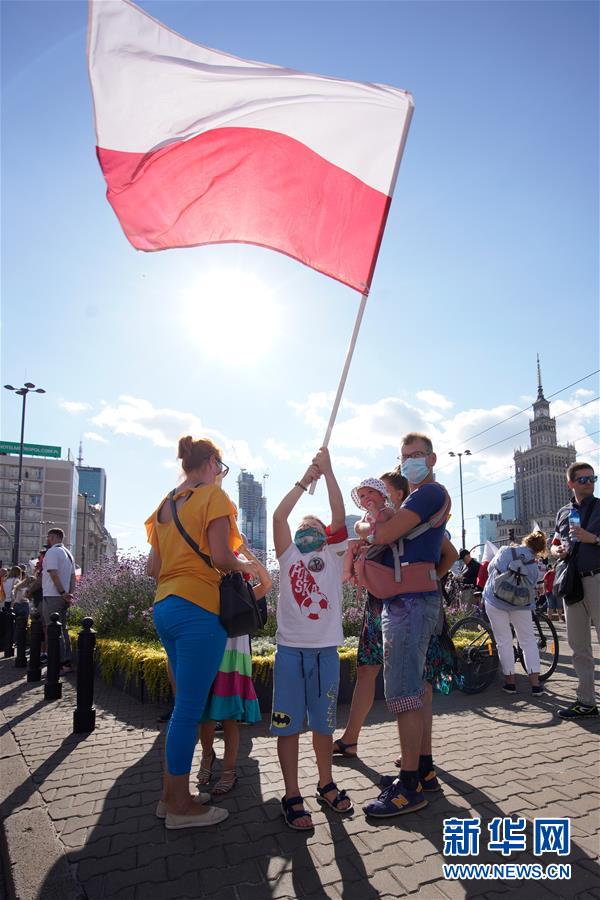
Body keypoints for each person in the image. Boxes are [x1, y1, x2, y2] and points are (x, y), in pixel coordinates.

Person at [145, 435, 260, 829]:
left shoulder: (165, 504)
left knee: (184, 708)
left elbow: (152, 568)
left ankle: (168, 796)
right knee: (188, 711)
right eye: (221, 468)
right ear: (212, 462)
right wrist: (247, 569)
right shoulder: (213, 496)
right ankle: (180, 807)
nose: (220, 475)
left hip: (165, 605)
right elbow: (222, 557)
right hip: (198, 608)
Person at [333, 469, 458, 766]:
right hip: (379, 603)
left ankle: (418, 758)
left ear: (397, 496)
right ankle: (350, 739)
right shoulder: (377, 524)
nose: (370, 500)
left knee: (417, 681)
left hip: (410, 603)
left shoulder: (413, 523)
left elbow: (449, 553)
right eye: (365, 496)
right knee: (367, 670)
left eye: (380, 493)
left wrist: (424, 581)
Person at [359, 433, 451, 818]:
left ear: (431, 459)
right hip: (417, 599)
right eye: (404, 457)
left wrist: (365, 530)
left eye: (417, 455)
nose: (410, 461)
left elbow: (381, 534)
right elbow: (446, 553)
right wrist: (430, 577)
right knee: (418, 690)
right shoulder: (418, 499)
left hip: (407, 605)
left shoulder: (427, 494)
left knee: (403, 691)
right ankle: (424, 769)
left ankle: (409, 785)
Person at [272, 447, 352, 831]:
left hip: (325, 654)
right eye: (303, 528)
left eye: (315, 529)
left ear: (325, 538)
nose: (308, 531)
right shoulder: (287, 556)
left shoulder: (334, 555)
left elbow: (338, 516)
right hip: (289, 652)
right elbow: (279, 515)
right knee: (287, 726)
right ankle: (291, 793)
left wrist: (330, 472)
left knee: (324, 725)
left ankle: (326, 782)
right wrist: (306, 481)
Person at [198, 536, 272, 797]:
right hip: (209, 655)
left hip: (233, 660)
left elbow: (267, 582)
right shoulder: (205, 588)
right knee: (205, 717)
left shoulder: (242, 593)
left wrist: (246, 553)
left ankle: (229, 770)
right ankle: (207, 757)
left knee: (229, 717)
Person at [551, 461, 600, 719]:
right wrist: (556, 551)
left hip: (597, 578)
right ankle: (586, 701)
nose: (588, 483)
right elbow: (554, 542)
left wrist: (594, 539)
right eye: (582, 479)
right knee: (578, 645)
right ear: (570, 483)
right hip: (572, 581)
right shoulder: (563, 513)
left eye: (592, 478)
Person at [483, 531, 546, 695]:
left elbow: (491, 568)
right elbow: (533, 584)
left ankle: (510, 684)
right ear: (539, 550)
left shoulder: (505, 551)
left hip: (496, 600)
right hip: (521, 605)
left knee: (504, 641)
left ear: (526, 540)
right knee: (528, 641)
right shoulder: (534, 565)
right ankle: (535, 684)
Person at [342, 477, 395, 584]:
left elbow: (383, 521)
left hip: (382, 543)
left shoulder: (388, 510)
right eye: (362, 496)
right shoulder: (366, 514)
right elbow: (359, 529)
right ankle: (347, 571)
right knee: (350, 543)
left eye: (370, 492)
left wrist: (374, 510)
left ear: (382, 495)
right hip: (368, 542)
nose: (366, 496)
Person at [42, 530, 76, 676]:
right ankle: (66, 662)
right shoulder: (68, 554)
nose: (47, 540)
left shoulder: (52, 552)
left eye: (49, 537)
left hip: (53, 595)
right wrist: (69, 594)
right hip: (63, 597)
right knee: (63, 630)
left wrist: (62, 593)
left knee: (54, 630)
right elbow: (73, 577)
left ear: (54, 537)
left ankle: (60, 664)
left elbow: (53, 573)